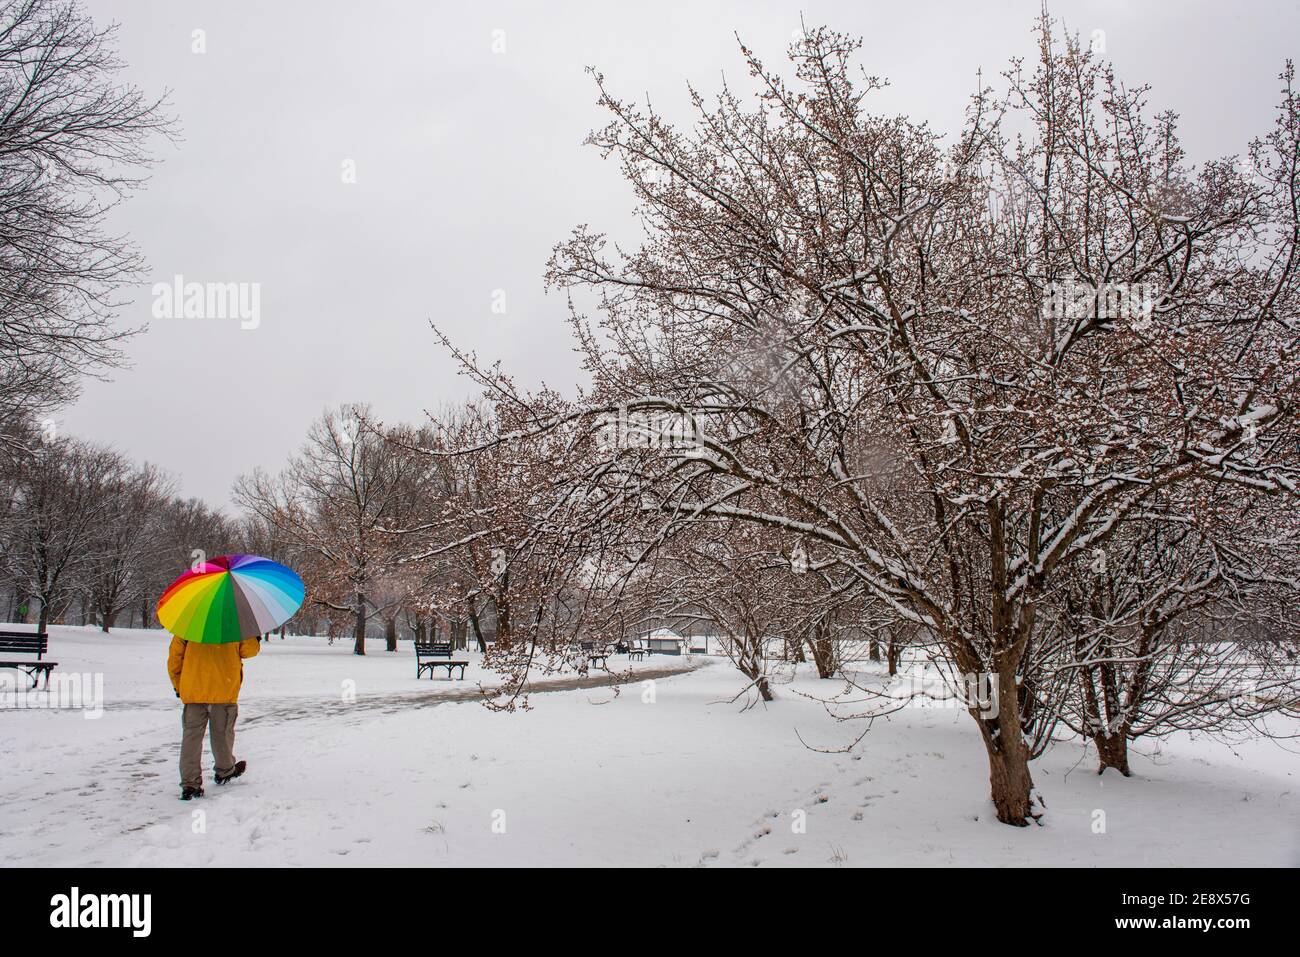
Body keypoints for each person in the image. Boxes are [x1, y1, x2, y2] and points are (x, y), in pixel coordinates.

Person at [167, 634, 261, 800]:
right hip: (224, 690)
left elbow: (175, 658)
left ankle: (190, 784)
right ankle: (225, 770)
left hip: (194, 692)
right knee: (222, 734)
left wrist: (179, 686)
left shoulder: (188, 627)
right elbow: (249, 651)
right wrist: (254, 637)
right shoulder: (235, 625)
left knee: (191, 739)